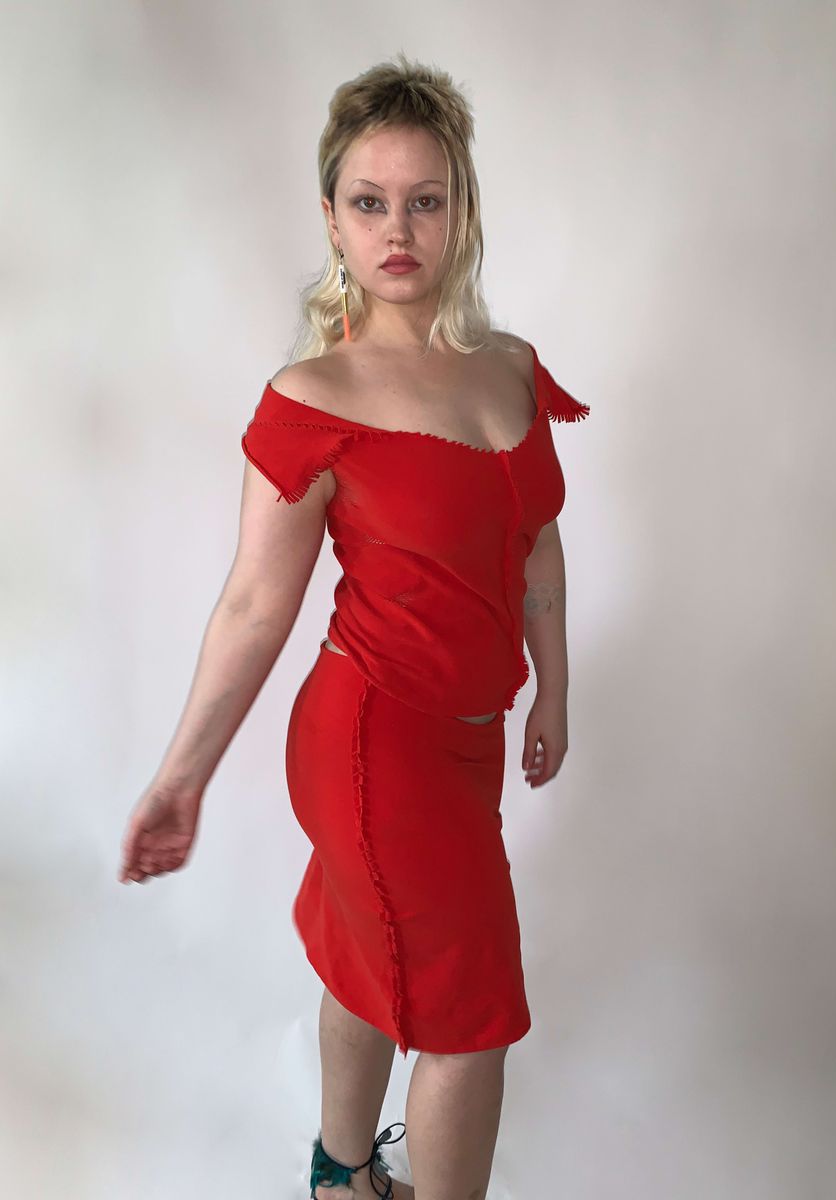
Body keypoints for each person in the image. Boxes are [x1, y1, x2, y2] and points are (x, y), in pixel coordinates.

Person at [118, 53, 589, 1200]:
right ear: (331, 217)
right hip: (374, 741)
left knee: (372, 954)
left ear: (460, 210)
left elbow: (535, 542)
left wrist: (554, 686)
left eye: (424, 200)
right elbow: (253, 604)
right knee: (472, 1023)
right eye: (369, 202)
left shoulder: (512, 373)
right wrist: (181, 777)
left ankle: (339, 1178)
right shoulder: (314, 399)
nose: (397, 230)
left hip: (470, 744)